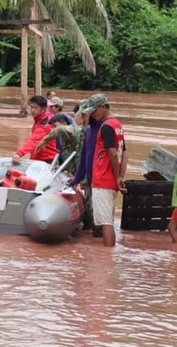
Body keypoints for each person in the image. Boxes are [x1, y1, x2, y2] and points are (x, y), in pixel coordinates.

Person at [85, 94, 127, 248]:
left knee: (105, 223)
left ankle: (107, 257)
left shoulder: (106, 127)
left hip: (103, 180)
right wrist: (120, 177)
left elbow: (113, 153)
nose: (93, 115)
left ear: (103, 107)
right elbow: (125, 154)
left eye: (94, 110)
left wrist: (117, 177)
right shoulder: (118, 126)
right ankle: (109, 256)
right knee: (108, 220)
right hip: (111, 181)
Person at [67, 100, 103, 236]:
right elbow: (84, 157)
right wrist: (76, 179)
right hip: (89, 180)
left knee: (99, 220)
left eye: (85, 115)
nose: (82, 118)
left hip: (100, 181)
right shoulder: (87, 131)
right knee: (91, 217)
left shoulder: (102, 129)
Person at [12, 96, 58, 165]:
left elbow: (33, 141)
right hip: (39, 159)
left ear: (43, 109)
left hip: (47, 161)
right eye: (31, 107)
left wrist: (19, 154)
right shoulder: (39, 120)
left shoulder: (44, 124)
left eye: (36, 108)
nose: (32, 110)